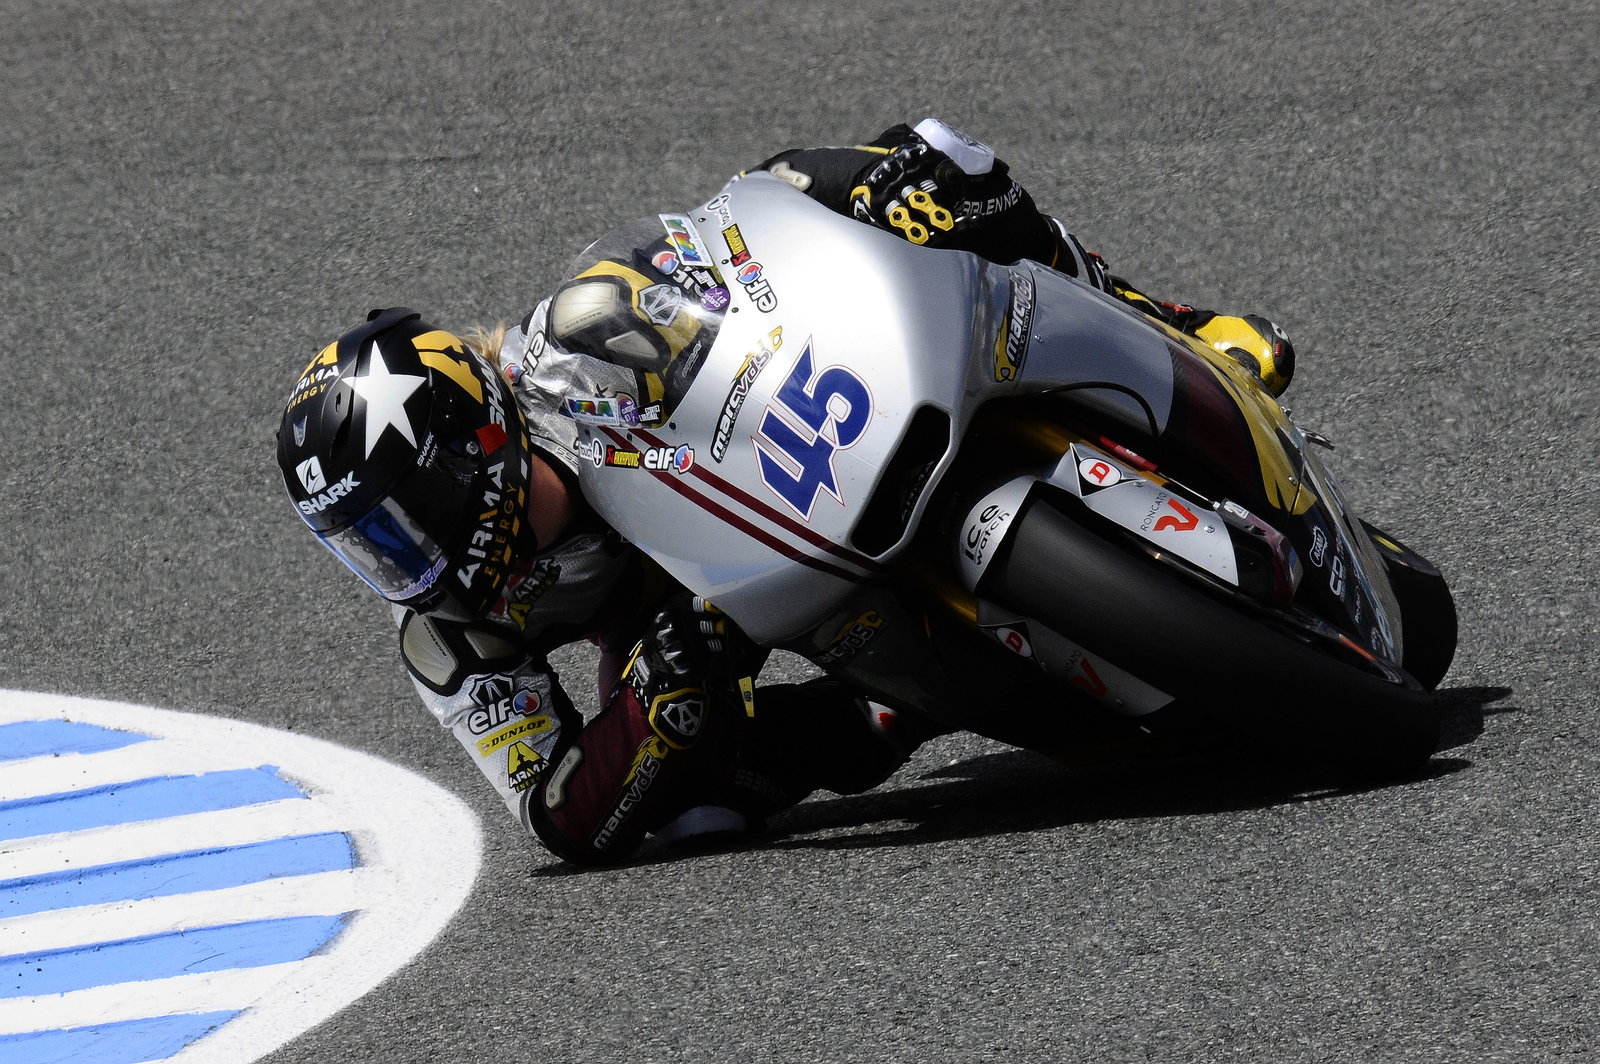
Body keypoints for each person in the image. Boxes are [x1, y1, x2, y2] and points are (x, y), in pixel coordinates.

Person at [275, 119, 1294, 866]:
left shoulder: (581, 337)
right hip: (697, 616)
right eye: (365, 544)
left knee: (909, 171)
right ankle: (888, 708)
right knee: (695, 809)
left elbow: (741, 250)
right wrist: (653, 699)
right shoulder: (449, 637)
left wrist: (861, 203)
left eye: (402, 521)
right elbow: (555, 813)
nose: (403, 562)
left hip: (782, 453)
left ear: (472, 448)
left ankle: (1166, 321)